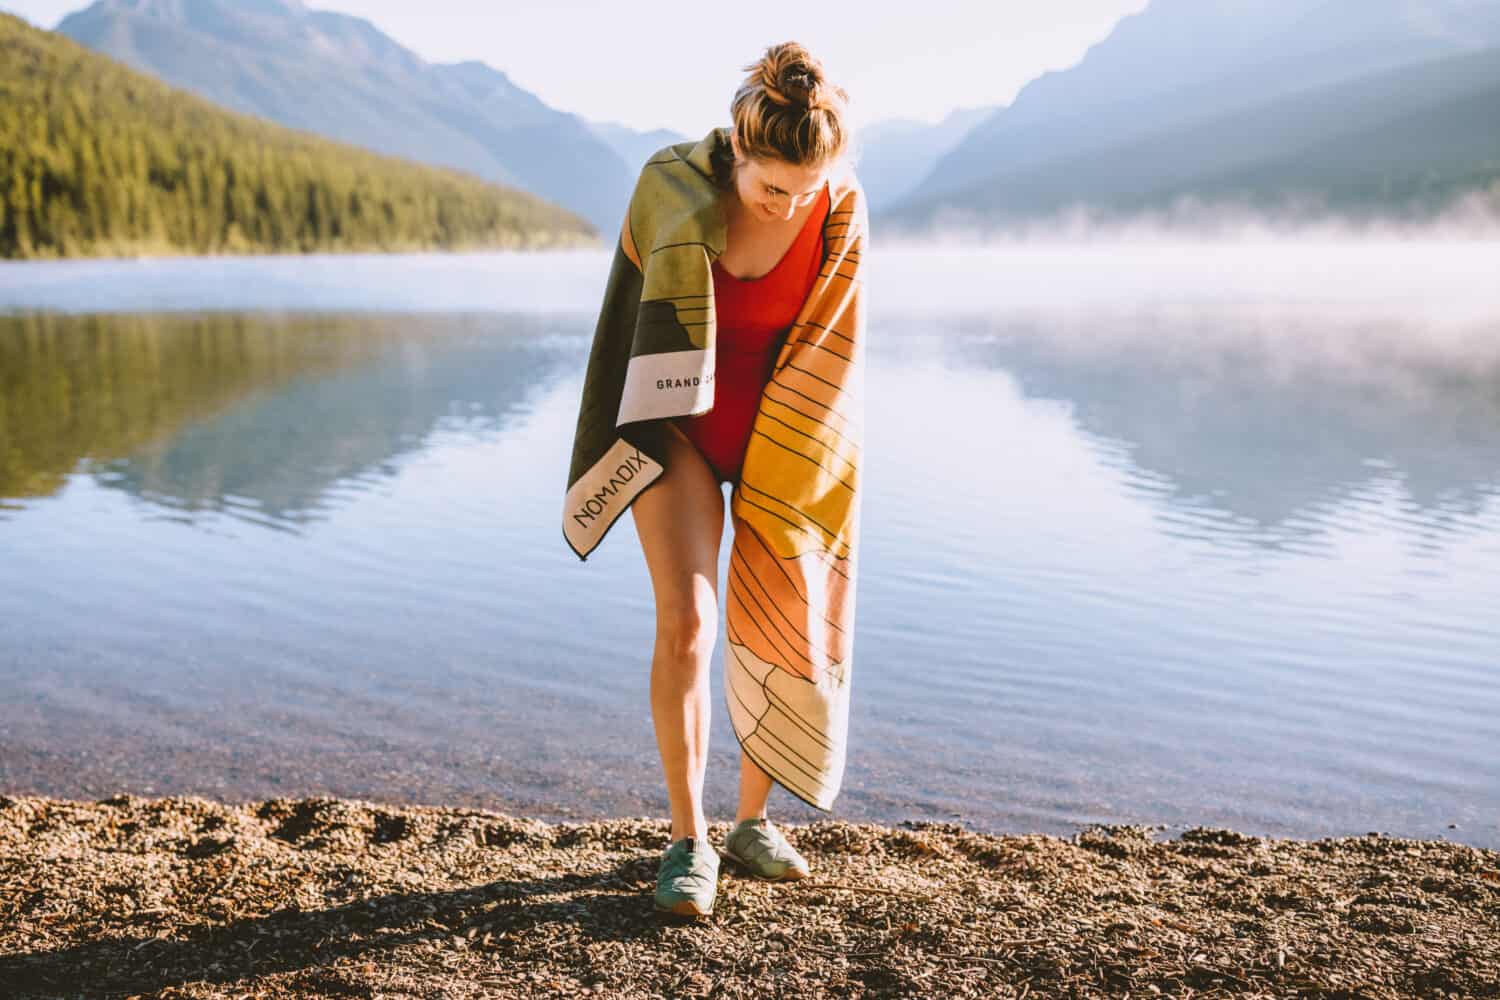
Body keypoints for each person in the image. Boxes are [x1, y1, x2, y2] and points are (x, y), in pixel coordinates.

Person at [561, 40, 866, 918]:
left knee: (772, 626)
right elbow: (624, 321)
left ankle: (752, 822)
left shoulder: (840, 209)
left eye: (804, 189)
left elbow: (834, 353)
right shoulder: (667, 187)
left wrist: (809, 463)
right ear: (737, 146)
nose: (790, 203)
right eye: (774, 188)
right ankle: (690, 840)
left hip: (785, 435)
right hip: (679, 433)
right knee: (690, 623)